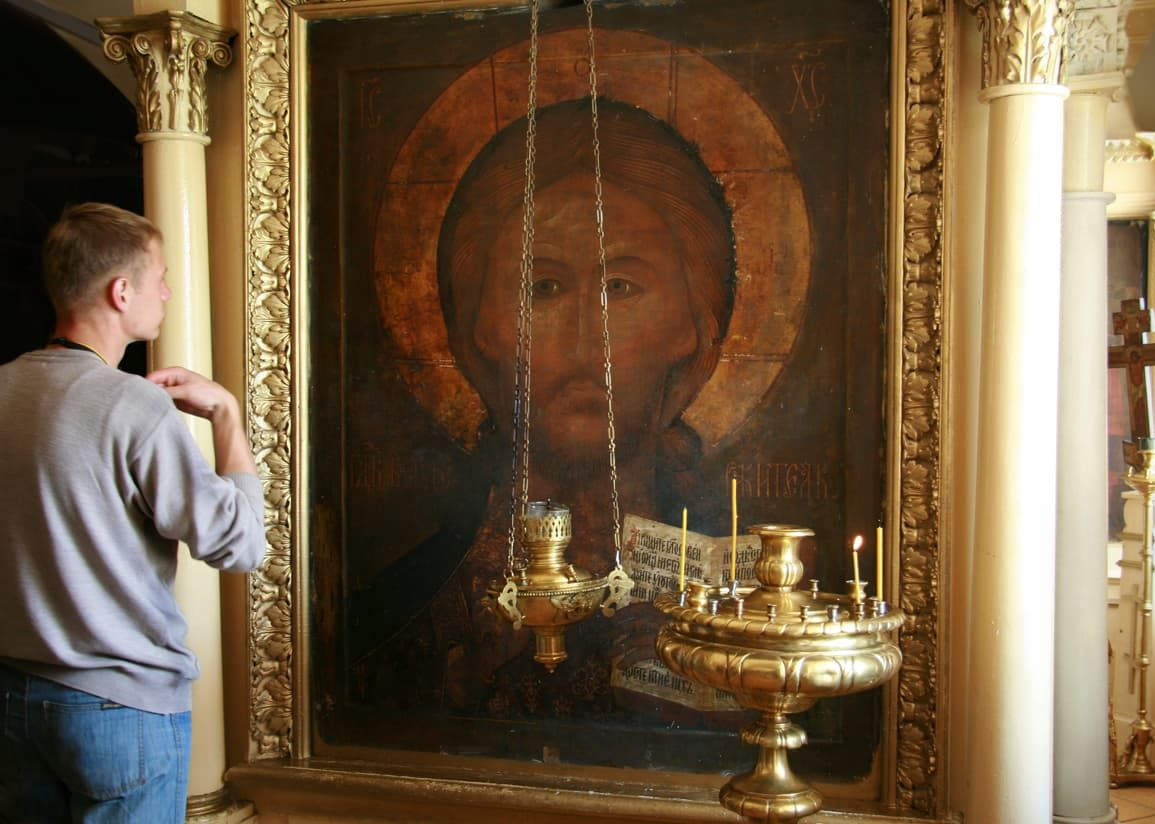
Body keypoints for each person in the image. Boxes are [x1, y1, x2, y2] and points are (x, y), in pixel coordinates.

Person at [351, 99, 736, 731]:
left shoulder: (744, 605)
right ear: (479, 329)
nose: (586, 339)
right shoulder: (402, 610)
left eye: (620, 287)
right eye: (543, 288)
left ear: (692, 327)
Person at [0, 203, 266, 823]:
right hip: (119, 712)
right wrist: (226, 414)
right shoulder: (132, 406)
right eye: (161, 277)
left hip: (13, 700)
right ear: (122, 292)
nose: (167, 291)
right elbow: (241, 544)